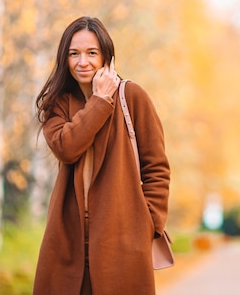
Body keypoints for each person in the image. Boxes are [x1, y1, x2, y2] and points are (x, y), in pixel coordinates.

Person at [33, 16, 170, 295]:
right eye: (74, 54)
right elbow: (67, 148)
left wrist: (147, 222)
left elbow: (156, 168)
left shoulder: (132, 96)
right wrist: (99, 102)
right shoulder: (57, 104)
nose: (82, 61)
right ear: (65, 59)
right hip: (68, 239)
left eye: (91, 53)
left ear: (107, 56)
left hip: (122, 238)